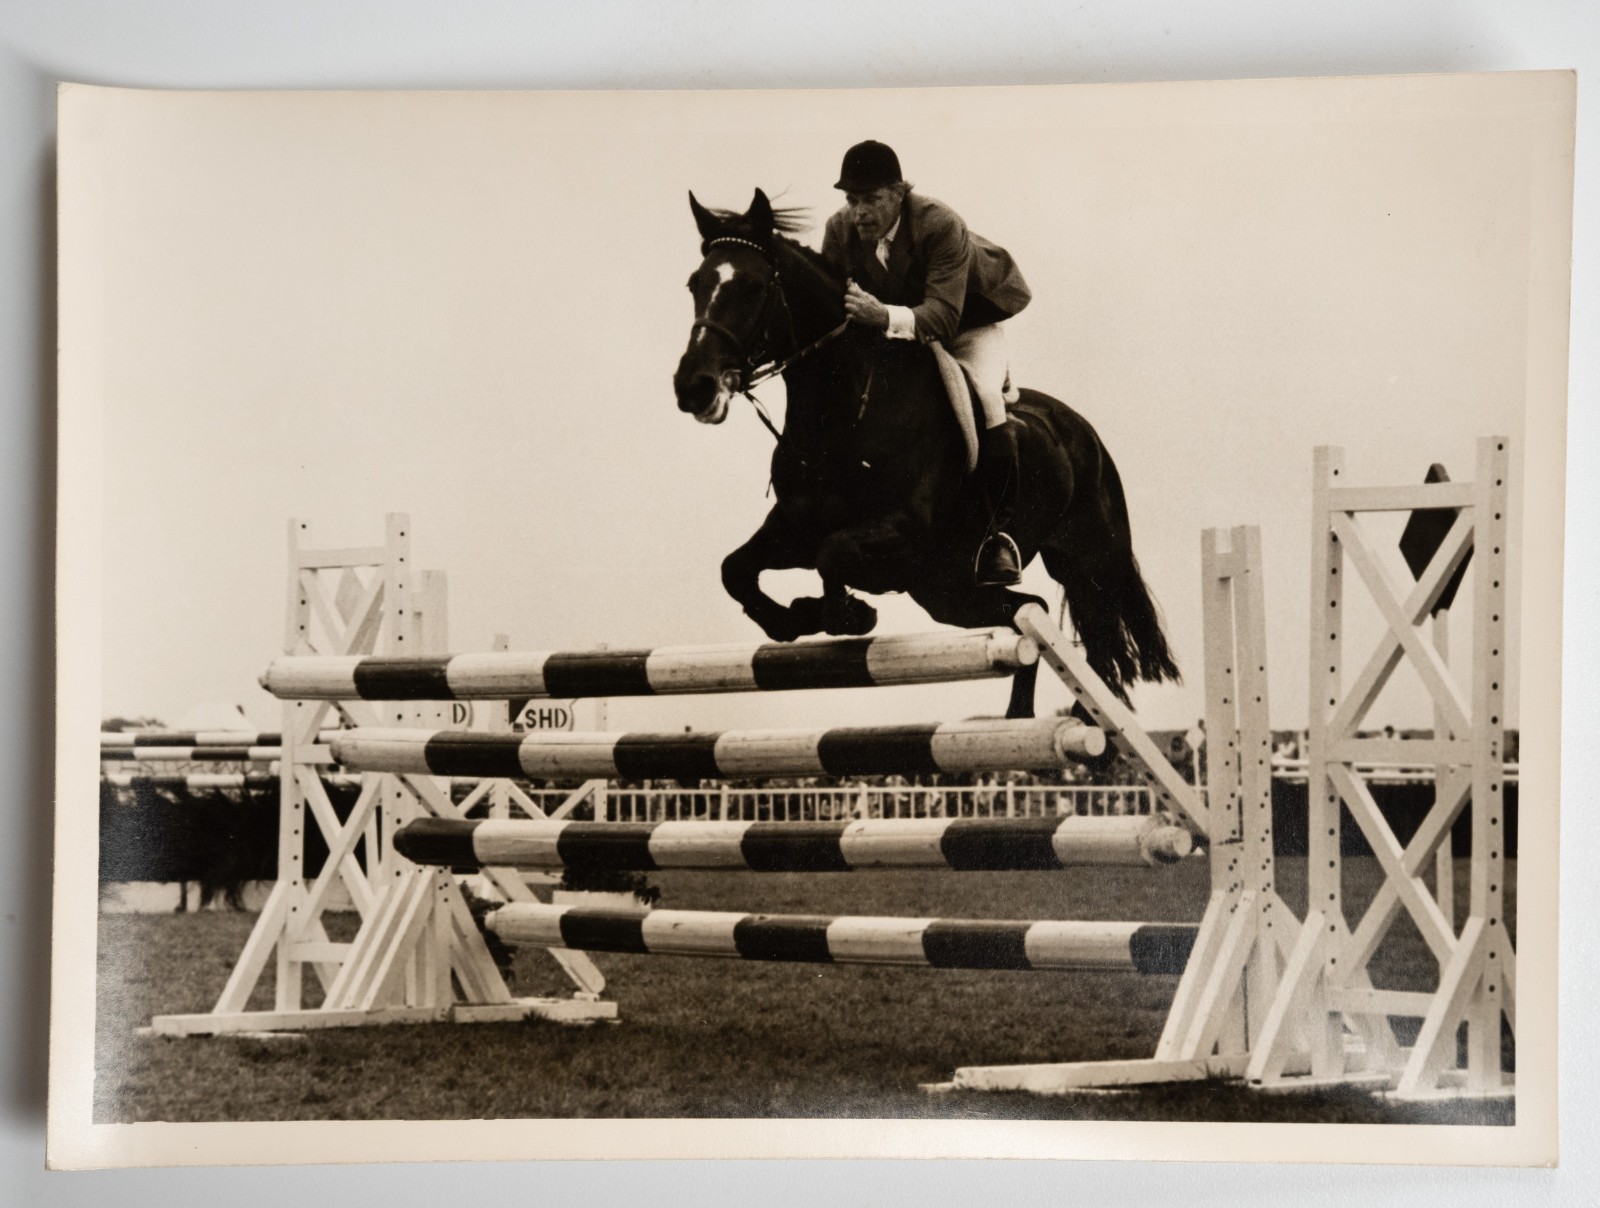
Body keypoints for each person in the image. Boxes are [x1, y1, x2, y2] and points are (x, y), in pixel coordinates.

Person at [820, 140, 1033, 587]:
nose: (859, 213)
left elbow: (943, 316)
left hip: (967, 324)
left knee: (986, 398)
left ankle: (998, 535)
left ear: (899, 193)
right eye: (852, 200)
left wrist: (882, 316)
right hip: (897, 331)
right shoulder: (839, 230)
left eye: (871, 199)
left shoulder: (939, 224)